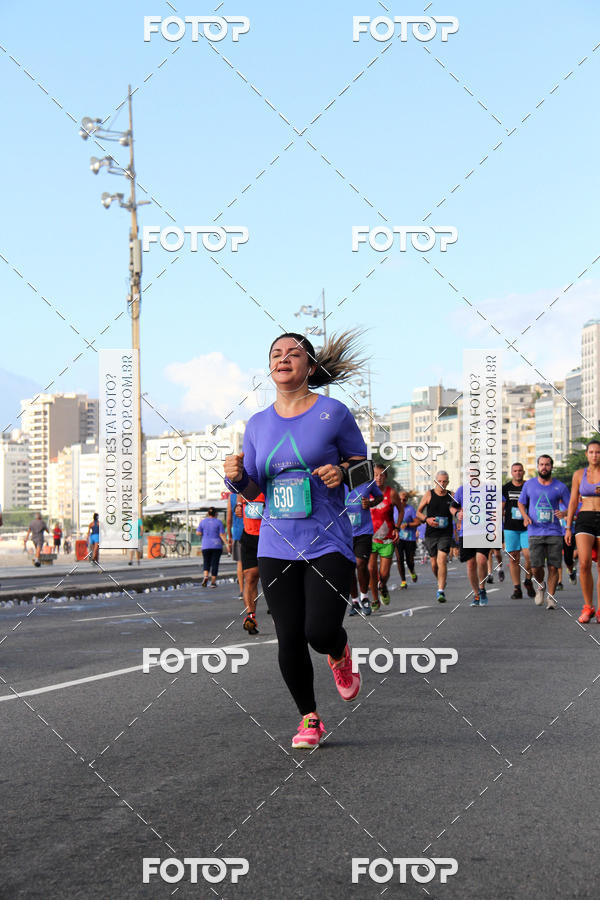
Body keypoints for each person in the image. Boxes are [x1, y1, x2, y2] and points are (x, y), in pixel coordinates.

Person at [224, 329, 367, 750]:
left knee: (319, 630)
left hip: (327, 539)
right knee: (288, 635)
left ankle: (338, 651)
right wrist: (236, 479)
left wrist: (342, 472)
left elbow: (367, 467)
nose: (283, 359)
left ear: (310, 366)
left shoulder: (334, 413)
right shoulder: (258, 424)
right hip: (275, 542)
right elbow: (254, 491)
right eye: (276, 354)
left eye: (293, 353)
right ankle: (310, 718)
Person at [518, 455, 570, 610]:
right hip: (534, 530)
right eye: (541, 464)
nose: (544, 467)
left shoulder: (560, 487)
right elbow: (521, 502)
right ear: (537, 466)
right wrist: (525, 516)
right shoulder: (529, 485)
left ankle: (551, 597)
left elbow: (571, 506)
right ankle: (541, 584)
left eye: (547, 464)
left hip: (554, 531)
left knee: (554, 567)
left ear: (551, 467)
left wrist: (565, 513)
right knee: (535, 567)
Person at [565, 440, 600, 623]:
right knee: (585, 563)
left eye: (598, 452)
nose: (595, 455)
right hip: (584, 519)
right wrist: (568, 527)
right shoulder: (579, 474)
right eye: (592, 452)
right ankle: (588, 607)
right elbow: (572, 502)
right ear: (587, 454)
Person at [417, 471, 458, 603]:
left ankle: (440, 590)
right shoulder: (429, 494)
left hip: (445, 533)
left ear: (448, 482)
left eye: (445, 481)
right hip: (431, 534)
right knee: (434, 564)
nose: (442, 484)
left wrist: (459, 520)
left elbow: (459, 510)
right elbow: (418, 512)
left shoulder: (452, 496)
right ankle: (441, 581)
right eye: (439, 481)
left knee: (442, 560)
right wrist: (426, 519)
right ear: (435, 482)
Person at [369, 464, 405, 611]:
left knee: (383, 574)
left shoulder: (391, 493)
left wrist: (397, 527)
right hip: (370, 538)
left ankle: (382, 586)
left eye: (382, 475)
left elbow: (401, 511)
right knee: (370, 569)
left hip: (387, 539)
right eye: (376, 475)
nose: (379, 478)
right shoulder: (367, 493)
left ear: (386, 477)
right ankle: (375, 600)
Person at [345, 479, 383, 616]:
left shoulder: (367, 481)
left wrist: (371, 503)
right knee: (348, 567)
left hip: (364, 532)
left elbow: (380, 496)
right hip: (345, 532)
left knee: (361, 564)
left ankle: (364, 597)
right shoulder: (338, 482)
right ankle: (354, 602)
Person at [452, 484, 491, 606]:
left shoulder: (488, 488)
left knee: (482, 560)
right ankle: (476, 594)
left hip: (483, 531)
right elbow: (453, 507)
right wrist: (457, 514)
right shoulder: (462, 489)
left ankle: (482, 587)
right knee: (470, 564)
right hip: (467, 532)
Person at [502, 463, 536, 599]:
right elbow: (501, 508)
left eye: (520, 471)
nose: (517, 473)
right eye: (515, 471)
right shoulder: (506, 488)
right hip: (510, 527)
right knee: (513, 558)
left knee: (530, 556)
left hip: (527, 526)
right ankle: (517, 588)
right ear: (511, 472)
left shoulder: (529, 486)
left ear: (523, 472)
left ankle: (528, 580)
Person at [238, 492, 266, 634]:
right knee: (250, 576)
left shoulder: (267, 473)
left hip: (269, 534)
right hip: (249, 534)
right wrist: (238, 504)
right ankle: (250, 616)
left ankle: (282, 615)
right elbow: (237, 488)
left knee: (272, 577)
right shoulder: (245, 473)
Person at [197, 507, 227, 587]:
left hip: (206, 545)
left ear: (208, 513)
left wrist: (205, 532)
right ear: (216, 514)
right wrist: (227, 544)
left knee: (206, 562)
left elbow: (198, 533)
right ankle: (213, 582)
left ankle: (206, 576)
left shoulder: (203, 522)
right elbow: (221, 534)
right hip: (216, 545)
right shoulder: (219, 522)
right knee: (215, 563)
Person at [395, 490, 419, 588]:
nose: (402, 501)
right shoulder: (393, 509)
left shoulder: (411, 509)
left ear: (407, 500)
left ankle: (412, 571)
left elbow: (418, 522)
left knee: (410, 560)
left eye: (404, 500)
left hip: (410, 538)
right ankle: (403, 581)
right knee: (399, 559)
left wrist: (408, 524)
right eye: (400, 499)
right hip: (398, 538)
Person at [226, 492, 245, 601]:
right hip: (253, 531)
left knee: (240, 563)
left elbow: (229, 519)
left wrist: (229, 536)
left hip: (238, 533)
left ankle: (242, 591)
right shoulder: (251, 491)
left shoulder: (231, 497)